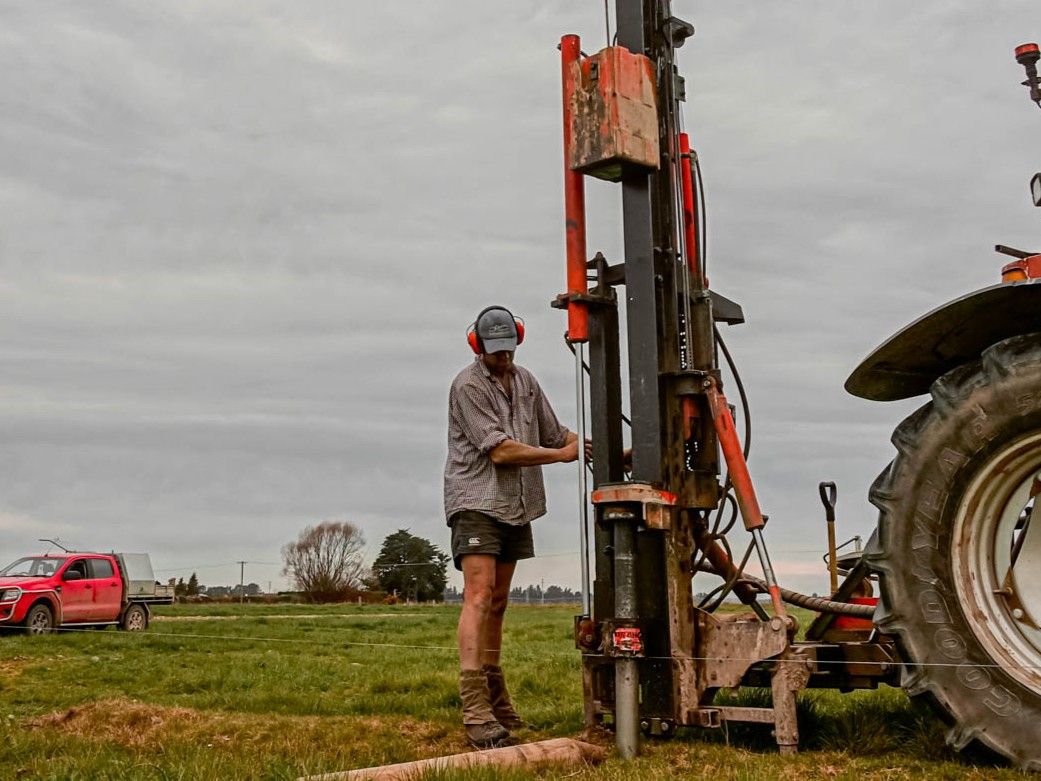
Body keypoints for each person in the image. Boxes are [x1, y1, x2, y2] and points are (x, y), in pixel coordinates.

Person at [444, 305, 585, 748]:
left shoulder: (526, 381)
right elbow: (501, 452)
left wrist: (598, 447)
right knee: (480, 594)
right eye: (494, 352)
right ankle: (476, 710)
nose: (503, 359)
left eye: (508, 350)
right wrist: (562, 456)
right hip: (476, 501)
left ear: (518, 341)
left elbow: (554, 433)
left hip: (515, 505)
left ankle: (497, 698)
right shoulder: (467, 386)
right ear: (477, 347)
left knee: (500, 601)